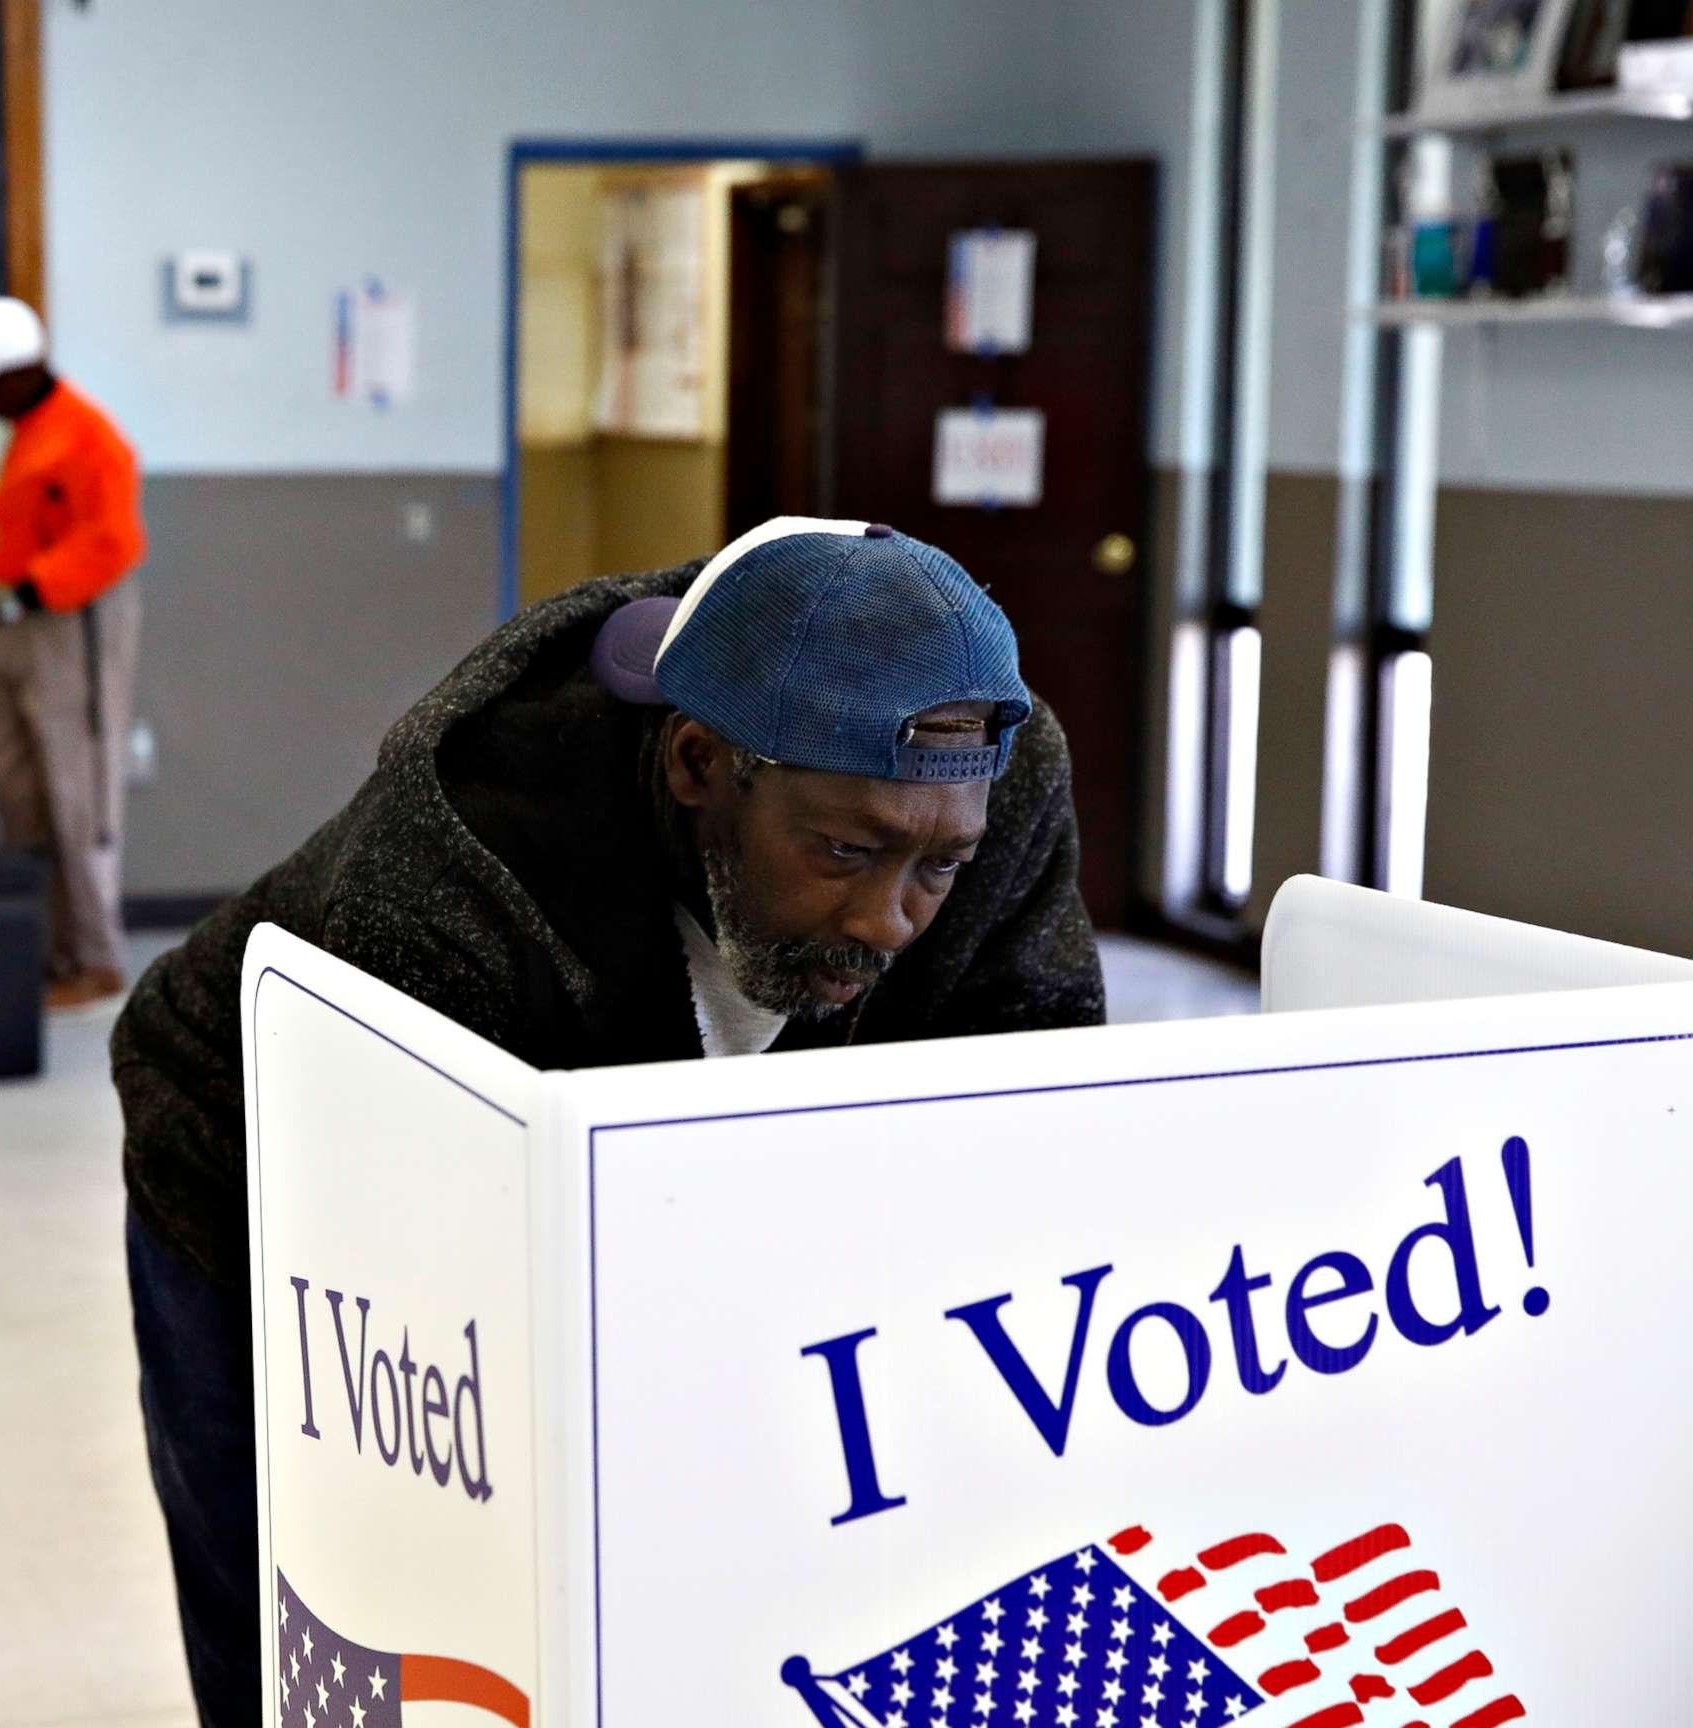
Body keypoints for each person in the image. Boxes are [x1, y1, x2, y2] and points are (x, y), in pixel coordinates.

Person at [110, 517, 1107, 1726]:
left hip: (621, 1182)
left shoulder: (986, 773)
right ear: (697, 765)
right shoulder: (460, 873)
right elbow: (483, 1314)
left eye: (936, 870)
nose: (895, 918)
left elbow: (1028, 1102)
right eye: (846, 851)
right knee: (313, 1621)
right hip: (255, 1159)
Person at [0, 296, 147, 1013]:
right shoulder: (23, 428)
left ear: (22, 371)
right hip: (16, 621)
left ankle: (95, 957)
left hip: (69, 620)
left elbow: (110, 544)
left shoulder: (87, 437)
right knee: (19, 786)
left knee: (77, 793)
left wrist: (21, 596)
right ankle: (48, 950)